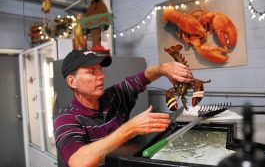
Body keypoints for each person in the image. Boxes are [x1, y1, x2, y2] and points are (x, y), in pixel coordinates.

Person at [53, 49, 193, 167]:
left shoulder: (115, 96)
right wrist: (130, 128)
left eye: (100, 70)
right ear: (72, 81)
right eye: (91, 72)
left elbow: (143, 77)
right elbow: (78, 162)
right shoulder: (66, 119)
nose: (101, 76)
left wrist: (162, 69)